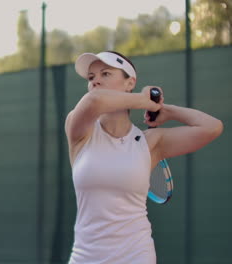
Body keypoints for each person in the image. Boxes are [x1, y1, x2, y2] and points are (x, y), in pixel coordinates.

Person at [65, 51, 223, 263]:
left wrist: (167, 110)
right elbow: (93, 101)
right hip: (84, 257)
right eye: (91, 78)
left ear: (130, 83)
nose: (96, 82)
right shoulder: (79, 130)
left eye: (105, 74)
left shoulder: (151, 143)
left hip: (137, 255)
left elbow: (212, 127)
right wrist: (144, 100)